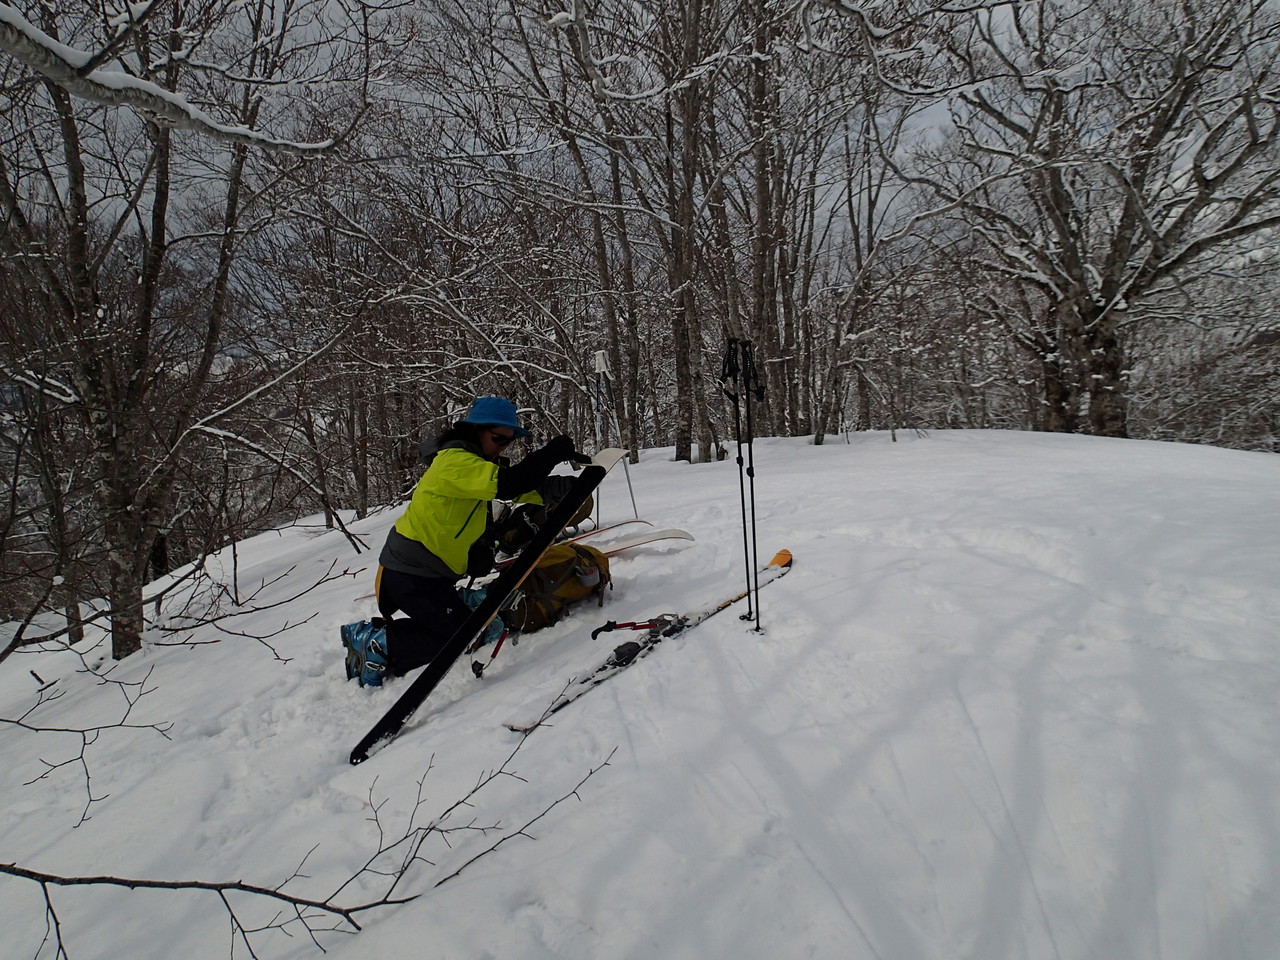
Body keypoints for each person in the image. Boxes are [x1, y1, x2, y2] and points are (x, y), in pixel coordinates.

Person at [341, 396, 589, 687]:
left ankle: (454, 609)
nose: (503, 447)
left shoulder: (476, 464)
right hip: (409, 573)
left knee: (471, 628)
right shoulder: (454, 461)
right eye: (498, 439)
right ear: (476, 430)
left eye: (508, 441)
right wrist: (551, 454)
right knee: (460, 637)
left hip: (432, 574)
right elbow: (510, 484)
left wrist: (565, 487)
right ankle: (376, 642)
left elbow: (520, 488)